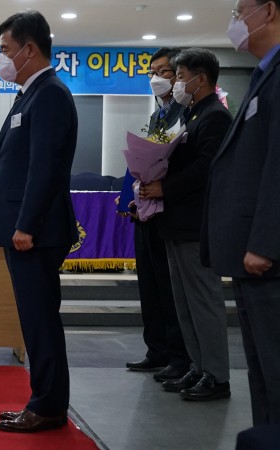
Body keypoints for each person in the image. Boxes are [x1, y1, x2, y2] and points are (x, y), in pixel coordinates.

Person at [0, 11, 78, 433]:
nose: (1, 58)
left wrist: (27, 225)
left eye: (5, 50)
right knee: (35, 320)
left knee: (40, 321)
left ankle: (48, 406)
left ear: (28, 49)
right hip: (25, 229)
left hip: (35, 232)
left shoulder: (51, 95)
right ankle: (45, 402)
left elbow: (45, 168)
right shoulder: (30, 94)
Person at [140, 48, 232, 401]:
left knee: (203, 301)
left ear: (201, 79)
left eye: (179, 76)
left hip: (195, 224)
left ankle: (217, 375)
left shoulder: (215, 117)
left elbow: (208, 167)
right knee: (184, 303)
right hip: (175, 222)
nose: (175, 83)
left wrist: (165, 187)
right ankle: (197, 365)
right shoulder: (192, 115)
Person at [205, 0, 280, 424]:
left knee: (275, 370)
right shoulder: (264, 74)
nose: (234, 22)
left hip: (267, 255)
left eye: (239, 11)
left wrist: (266, 241)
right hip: (251, 254)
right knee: (262, 372)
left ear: (267, 11)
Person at [123, 48, 192, 385]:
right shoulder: (157, 116)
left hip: (172, 211)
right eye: (152, 71)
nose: (156, 78)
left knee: (168, 287)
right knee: (149, 285)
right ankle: (157, 349)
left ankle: (179, 356)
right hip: (147, 210)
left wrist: (162, 188)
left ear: (178, 76)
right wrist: (137, 195)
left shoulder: (188, 112)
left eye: (163, 71)